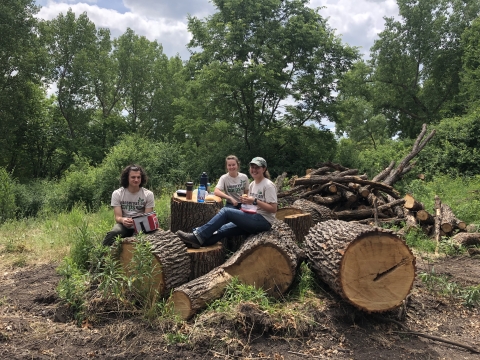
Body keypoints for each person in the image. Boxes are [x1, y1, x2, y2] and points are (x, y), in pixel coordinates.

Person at [176, 157, 277, 248]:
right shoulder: (252, 184)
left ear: (264, 169)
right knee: (222, 230)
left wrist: (254, 201)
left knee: (226, 212)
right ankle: (191, 243)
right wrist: (246, 202)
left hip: (263, 221)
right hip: (253, 217)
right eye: (252, 167)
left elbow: (273, 208)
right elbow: (253, 205)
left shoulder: (268, 185)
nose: (254, 170)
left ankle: (198, 235)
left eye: (257, 168)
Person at [102, 164, 155, 246]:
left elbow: (147, 218)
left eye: (138, 177)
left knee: (139, 241)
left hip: (141, 226)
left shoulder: (148, 194)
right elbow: (117, 217)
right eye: (133, 177)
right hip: (124, 225)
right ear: (127, 178)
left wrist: (137, 224)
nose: (136, 180)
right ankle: (100, 256)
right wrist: (123, 220)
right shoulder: (118, 194)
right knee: (114, 233)